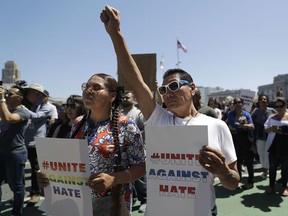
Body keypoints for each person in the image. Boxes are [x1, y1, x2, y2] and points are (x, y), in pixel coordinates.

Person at [100, 5, 239, 215]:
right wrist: (115, 33)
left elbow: (234, 183)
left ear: (192, 88)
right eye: (163, 90)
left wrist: (223, 172)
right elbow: (135, 79)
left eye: (174, 86)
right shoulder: (158, 118)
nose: (168, 93)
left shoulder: (217, 125)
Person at [38, 73, 146, 215]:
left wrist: (115, 178)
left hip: (112, 204)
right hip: (77, 200)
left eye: (96, 87)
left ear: (112, 97)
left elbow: (141, 167)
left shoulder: (126, 124)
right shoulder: (78, 123)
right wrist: (49, 174)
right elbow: (71, 161)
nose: (88, 90)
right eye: (86, 86)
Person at [0, 85, 30, 216]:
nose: (7, 95)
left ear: (20, 98)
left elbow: (9, 118)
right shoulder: (4, 109)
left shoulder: (23, 112)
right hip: (2, 152)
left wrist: (1, 99)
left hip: (15, 153)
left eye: (10, 94)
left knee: (17, 187)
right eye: (6, 93)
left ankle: (16, 212)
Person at [24, 83, 51, 204]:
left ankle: (35, 193)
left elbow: (35, 117)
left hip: (36, 142)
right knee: (21, 169)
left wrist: (21, 108)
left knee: (36, 169)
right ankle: (22, 193)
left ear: (39, 95)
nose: (28, 94)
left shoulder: (47, 107)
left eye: (31, 92)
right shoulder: (31, 106)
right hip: (26, 142)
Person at [121, 90, 147, 213]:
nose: (125, 99)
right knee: (129, 177)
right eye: (123, 98)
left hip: (138, 151)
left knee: (140, 179)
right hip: (124, 153)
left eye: (127, 98)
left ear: (133, 99)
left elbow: (144, 131)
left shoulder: (138, 114)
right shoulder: (119, 113)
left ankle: (145, 200)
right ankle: (135, 197)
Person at [227, 98, 255, 189]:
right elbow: (233, 124)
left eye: (239, 102)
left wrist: (243, 125)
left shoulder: (247, 114)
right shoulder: (230, 114)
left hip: (246, 139)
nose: (238, 104)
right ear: (233, 104)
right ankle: (238, 181)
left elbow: (252, 126)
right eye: (236, 102)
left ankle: (250, 181)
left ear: (242, 104)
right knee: (237, 161)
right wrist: (245, 125)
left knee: (248, 161)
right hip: (235, 139)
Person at [265, 98, 288, 196]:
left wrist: (282, 130)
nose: (279, 108)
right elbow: (265, 129)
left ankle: (284, 186)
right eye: (277, 106)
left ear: (285, 106)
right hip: (274, 145)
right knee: (272, 168)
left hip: (286, 146)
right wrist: (272, 129)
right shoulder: (271, 117)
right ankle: (271, 186)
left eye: (281, 106)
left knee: (285, 168)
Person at [251, 94, 275, 178]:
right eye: (261, 99)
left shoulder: (272, 111)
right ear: (259, 102)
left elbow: (279, 118)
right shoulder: (255, 112)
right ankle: (265, 169)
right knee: (261, 154)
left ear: (267, 102)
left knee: (268, 153)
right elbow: (251, 122)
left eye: (265, 99)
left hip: (270, 136)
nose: (263, 101)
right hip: (259, 136)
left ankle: (266, 171)